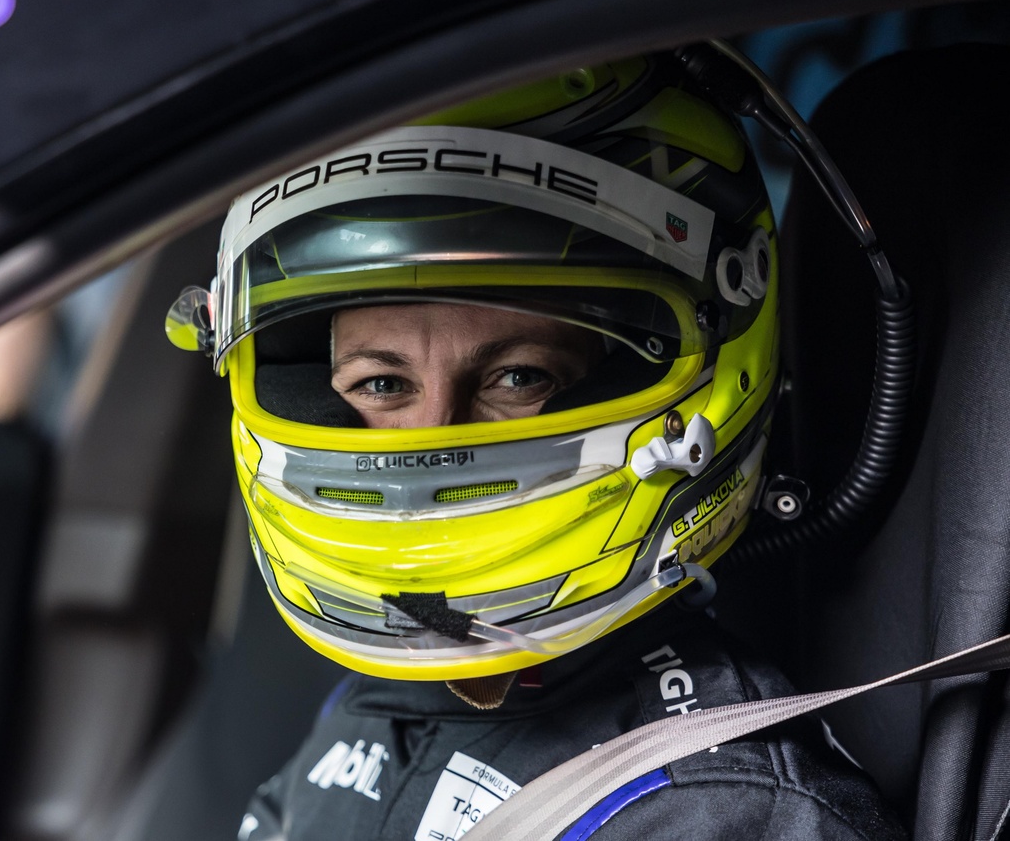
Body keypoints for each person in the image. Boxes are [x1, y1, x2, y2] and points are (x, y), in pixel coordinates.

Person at [166, 51, 905, 839]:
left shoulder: (718, 811)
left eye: (517, 377)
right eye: (382, 383)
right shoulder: (389, 695)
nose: (431, 442)